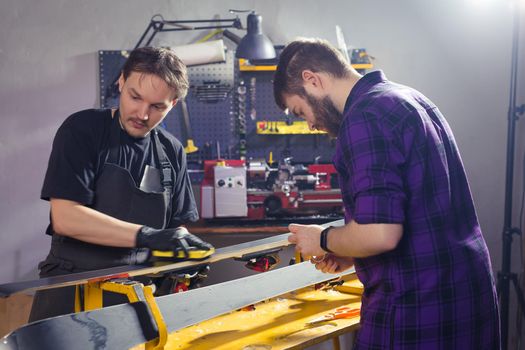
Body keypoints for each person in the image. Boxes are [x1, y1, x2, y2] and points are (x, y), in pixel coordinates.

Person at [273, 38, 500, 349]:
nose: (311, 125)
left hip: (417, 307)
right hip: (466, 294)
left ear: (312, 80)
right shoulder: (408, 98)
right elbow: (420, 213)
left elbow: (380, 234)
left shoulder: (365, 117)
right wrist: (352, 250)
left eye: (301, 111)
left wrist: (322, 239)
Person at [29, 47, 213, 322]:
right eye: (134, 97)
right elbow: (65, 217)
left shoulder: (171, 150)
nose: (142, 113)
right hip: (73, 292)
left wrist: (182, 258)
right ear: (121, 83)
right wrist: (147, 236)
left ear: (172, 104)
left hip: (138, 297)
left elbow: (175, 227)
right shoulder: (83, 129)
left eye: (157, 106)